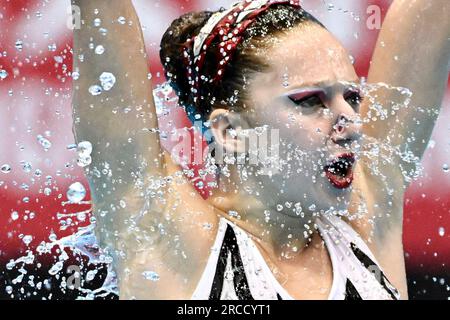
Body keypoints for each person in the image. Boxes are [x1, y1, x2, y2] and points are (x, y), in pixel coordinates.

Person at [71, 0, 450, 299]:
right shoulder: (166, 238)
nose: (350, 125)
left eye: (352, 97)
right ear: (231, 131)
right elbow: (102, 18)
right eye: (309, 101)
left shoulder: (366, 219)